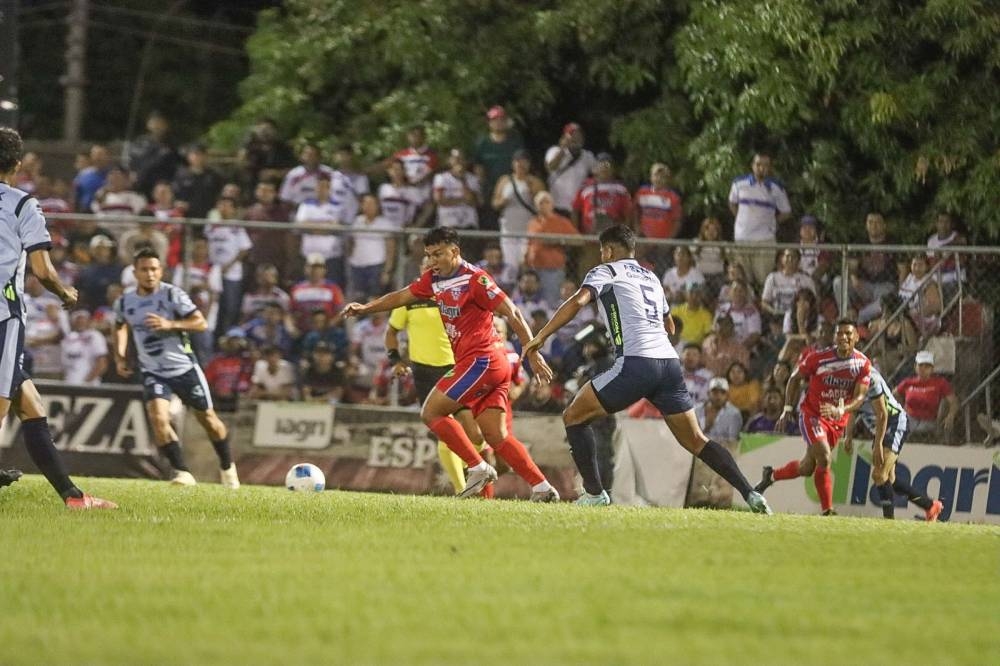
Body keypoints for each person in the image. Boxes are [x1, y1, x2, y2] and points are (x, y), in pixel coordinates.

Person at [523, 224, 771, 512]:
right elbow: (669, 325)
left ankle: (594, 493)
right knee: (696, 440)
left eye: (603, 250)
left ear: (610, 250)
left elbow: (578, 301)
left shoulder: (606, 271)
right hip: (668, 364)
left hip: (636, 362)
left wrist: (541, 336)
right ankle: (751, 493)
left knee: (574, 416)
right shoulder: (651, 277)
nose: (602, 255)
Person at [343, 226, 560, 501]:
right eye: (429, 255)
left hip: (482, 361)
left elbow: (512, 312)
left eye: (438, 254)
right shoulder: (433, 280)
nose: (432, 261)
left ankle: (478, 467)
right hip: (487, 365)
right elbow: (400, 296)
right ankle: (542, 487)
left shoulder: (475, 280)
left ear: (454, 251)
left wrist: (532, 351)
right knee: (497, 437)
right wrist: (365, 307)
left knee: (431, 412)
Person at [0, 127, 116, 508]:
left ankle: (72, 496)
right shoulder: (21, 205)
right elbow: (43, 269)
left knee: (31, 404)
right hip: (4, 314)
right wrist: (65, 292)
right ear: (17, 165)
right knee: (3, 401)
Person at [112, 247, 239, 489]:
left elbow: (200, 322)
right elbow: (119, 325)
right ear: (135, 273)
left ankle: (227, 467)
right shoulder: (125, 302)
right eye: (144, 270)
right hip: (153, 371)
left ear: (161, 271)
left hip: (184, 369)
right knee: (158, 419)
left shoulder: (173, 296)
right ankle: (182, 472)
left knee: (209, 421)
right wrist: (120, 355)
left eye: (154, 269)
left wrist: (170, 324)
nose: (149, 274)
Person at [385, 263, 493, 497]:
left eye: (434, 264)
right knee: (445, 430)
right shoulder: (411, 298)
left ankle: (478, 478)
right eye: (426, 265)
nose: (430, 269)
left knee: (475, 434)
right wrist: (396, 361)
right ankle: (462, 489)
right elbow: (392, 331)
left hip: (456, 366)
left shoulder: (456, 293)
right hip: (425, 372)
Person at [754, 319, 872, 515]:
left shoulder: (863, 364)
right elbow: (794, 378)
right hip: (812, 415)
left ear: (857, 337)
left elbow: (860, 397)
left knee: (807, 467)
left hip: (836, 420)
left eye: (848, 333)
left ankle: (771, 476)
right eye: (839, 333)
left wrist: (842, 412)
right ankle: (827, 510)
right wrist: (788, 408)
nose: (843, 337)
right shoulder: (818, 358)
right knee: (824, 458)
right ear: (835, 337)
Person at [837, 366, 943, 521]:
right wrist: (848, 436)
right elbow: (853, 409)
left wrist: (878, 443)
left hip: (893, 423)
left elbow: (882, 414)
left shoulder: (870, 378)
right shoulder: (848, 380)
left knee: (879, 475)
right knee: (890, 480)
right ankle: (930, 506)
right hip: (881, 429)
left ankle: (889, 522)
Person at [727, 152, 791, 288]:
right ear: (752, 166)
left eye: (765, 165)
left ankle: (763, 306)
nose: (762, 168)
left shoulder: (776, 187)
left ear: (770, 167)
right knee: (743, 280)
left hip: (765, 239)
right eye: (758, 164)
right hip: (742, 238)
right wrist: (741, 220)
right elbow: (732, 203)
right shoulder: (739, 183)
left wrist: (772, 223)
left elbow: (786, 212)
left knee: (764, 280)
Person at [491, 148, 545, 270]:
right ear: (513, 163)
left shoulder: (535, 181)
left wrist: (532, 192)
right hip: (508, 230)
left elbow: (543, 205)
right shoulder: (504, 180)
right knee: (510, 264)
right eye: (518, 161)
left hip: (528, 230)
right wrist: (503, 201)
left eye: (524, 161)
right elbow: (494, 203)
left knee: (526, 263)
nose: (521, 164)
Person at [894, 351, 959, 443]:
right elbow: (893, 395)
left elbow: (953, 402)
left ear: (932, 368)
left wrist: (950, 416)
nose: (923, 369)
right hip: (909, 418)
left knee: (922, 430)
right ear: (915, 367)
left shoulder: (940, 383)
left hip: (930, 419)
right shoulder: (908, 382)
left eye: (927, 366)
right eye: (920, 365)